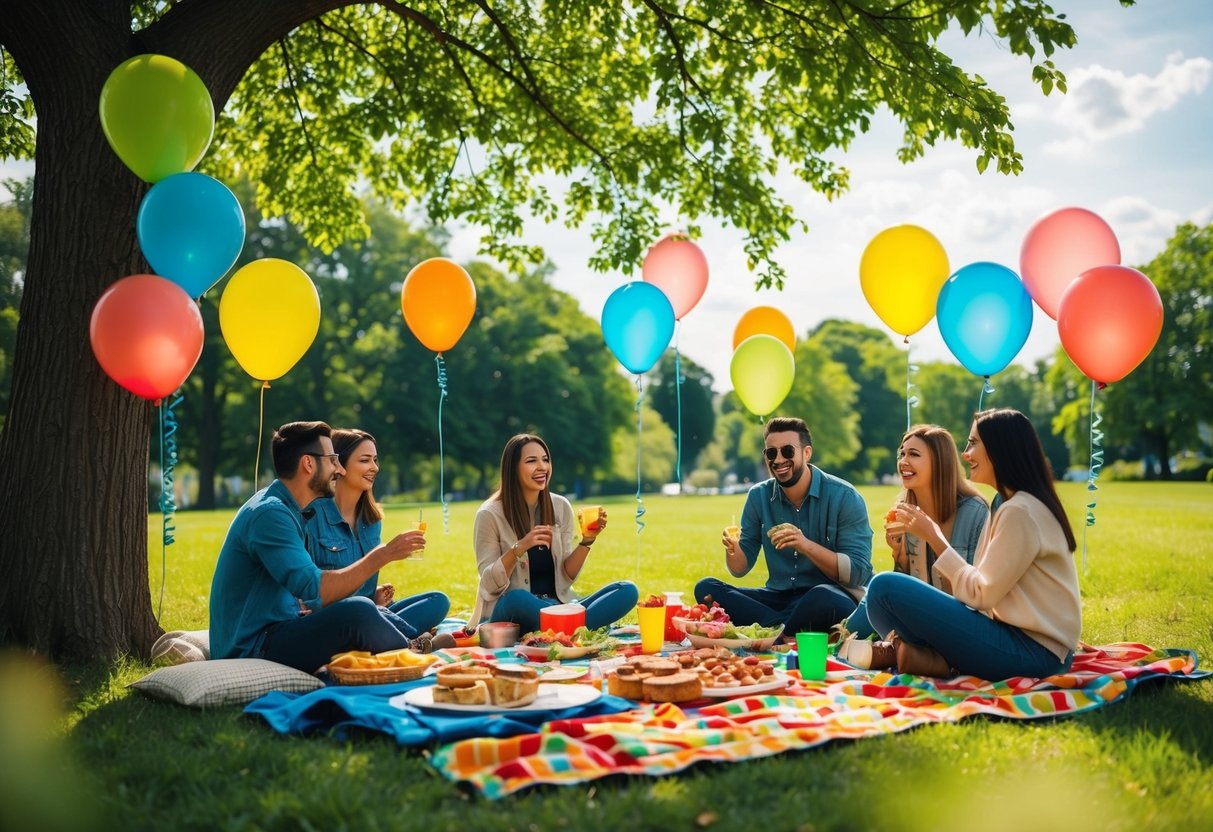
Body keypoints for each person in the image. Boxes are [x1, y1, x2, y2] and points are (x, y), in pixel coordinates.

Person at [864, 408, 1082, 680]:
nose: (965, 454)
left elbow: (980, 594)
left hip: (1035, 654)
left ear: (999, 448)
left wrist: (934, 536)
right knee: (879, 599)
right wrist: (903, 557)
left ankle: (934, 660)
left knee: (884, 588)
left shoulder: (1019, 512)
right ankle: (933, 660)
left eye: (973, 443)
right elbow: (978, 595)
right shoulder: (1007, 504)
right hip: (1013, 639)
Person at [209, 421, 426, 673]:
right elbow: (316, 590)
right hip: (253, 646)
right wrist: (383, 554)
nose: (338, 469)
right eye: (333, 459)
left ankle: (399, 643)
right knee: (358, 611)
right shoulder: (270, 514)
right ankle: (412, 648)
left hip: (280, 628)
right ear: (309, 464)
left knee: (364, 610)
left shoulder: (289, 509)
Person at [695, 417, 873, 636]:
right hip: (777, 598)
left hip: (829, 596)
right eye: (771, 453)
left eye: (787, 451)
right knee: (706, 589)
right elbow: (740, 569)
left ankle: (769, 629)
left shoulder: (844, 497)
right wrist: (733, 548)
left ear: (806, 453)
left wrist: (805, 545)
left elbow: (858, 572)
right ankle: (782, 630)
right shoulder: (758, 496)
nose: (778, 460)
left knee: (822, 599)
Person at [469, 433, 638, 633]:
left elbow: (566, 577)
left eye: (545, 459)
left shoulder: (560, 506)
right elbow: (488, 585)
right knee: (517, 598)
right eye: (531, 461)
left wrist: (587, 541)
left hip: (558, 607)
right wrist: (519, 547)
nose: (542, 467)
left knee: (626, 590)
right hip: (513, 611)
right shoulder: (489, 514)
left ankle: (564, 627)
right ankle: (579, 626)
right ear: (512, 468)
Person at [303, 428, 452, 650]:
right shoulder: (312, 517)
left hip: (372, 612)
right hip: (335, 618)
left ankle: (383, 640)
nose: (374, 467)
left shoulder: (372, 520)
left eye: (375, 460)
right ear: (339, 465)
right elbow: (310, 594)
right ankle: (412, 642)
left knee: (438, 601)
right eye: (365, 460)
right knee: (363, 610)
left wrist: (373, 594)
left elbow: (364, 587)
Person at [841, 425, 988, 649]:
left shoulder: (974, 512)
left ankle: (845, 639)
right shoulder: (906, 512)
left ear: (939, 463)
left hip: (964, 623)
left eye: (914, 454)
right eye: (902, 454)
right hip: (921, 619)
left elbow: (973, 591)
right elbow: (911, 589)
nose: (903, 461)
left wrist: (931, 536)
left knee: (879, 587)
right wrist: (899, 558)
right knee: (873, 594)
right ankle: (840, 638)